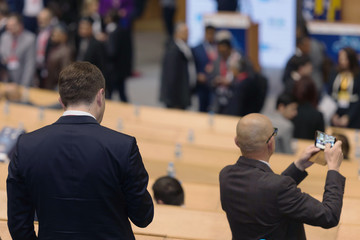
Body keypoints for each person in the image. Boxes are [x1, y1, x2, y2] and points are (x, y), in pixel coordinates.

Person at [7, 62, 154, 240]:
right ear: (100, 96)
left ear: (61, 100)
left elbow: (18, 222)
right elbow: (143, 217)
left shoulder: (26, 146)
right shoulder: (123, 146)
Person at [219, 113, 345, 240]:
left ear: (237, 142)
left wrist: (298, 166)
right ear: (271, 143)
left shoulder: (225, 175)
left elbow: (266, 193)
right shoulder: (278, 188)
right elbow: (329, 215)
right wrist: (334, 168)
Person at [160, 22, 196, 109]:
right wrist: (173, 98)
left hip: (183, 92)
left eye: (187, 32)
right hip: (176, 97)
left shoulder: (185, 47)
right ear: (177, 33)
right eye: (184, 32)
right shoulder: (173, 51)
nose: (187, 34)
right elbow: (171, 76)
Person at [0, 13, 36, 100]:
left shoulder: (30, 39)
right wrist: (4, 59)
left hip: (21, 79)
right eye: (8, 26)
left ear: (20, 25)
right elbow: (2, 54)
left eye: (12, 25)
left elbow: (30, 65)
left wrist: (23, 86)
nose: (9, 28)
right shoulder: (5, 37)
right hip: (6, 78)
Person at [328, 47, 360, 129]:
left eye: (345, 59)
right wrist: (333, 114)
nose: (342, 61)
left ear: (351, 59)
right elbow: (329, 93)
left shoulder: (357, 75)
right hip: (335, 112)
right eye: (340, 58)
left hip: (353, 115)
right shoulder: (334, 72)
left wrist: (348, 117)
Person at [208, 38, 241, 113]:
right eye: (220, 50)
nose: (222, 53)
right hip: (218, 98)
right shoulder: (216, 61)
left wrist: (230, 83)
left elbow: (242, 80)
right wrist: (215, 81)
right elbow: (210, 79)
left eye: (224, 51)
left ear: (230, 49)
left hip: (233, 98)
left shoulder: (238, 60)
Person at [192, 25, 217, 112]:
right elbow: (192, 66)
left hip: (215, 83)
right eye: (208, 33)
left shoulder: (219, 48)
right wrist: (197, 75)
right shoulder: (196, 49)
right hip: (202, 84)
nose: (210, 36)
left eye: (212, 34)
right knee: (201, 108)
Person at [44, 23, 73, 90]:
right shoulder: (54, 48)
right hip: (50, 84)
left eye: (55, 34)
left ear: (64, 36)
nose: (52, 36)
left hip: (57, 87)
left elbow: (65, 74)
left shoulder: (66, 51)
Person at [36, 8, 56, 88]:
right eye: (39, 19)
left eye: (44, 19)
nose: (41, 21)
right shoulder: (37, 31)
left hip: (49, 68)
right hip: (38, 66)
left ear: (50, 19)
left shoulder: (54, 33)